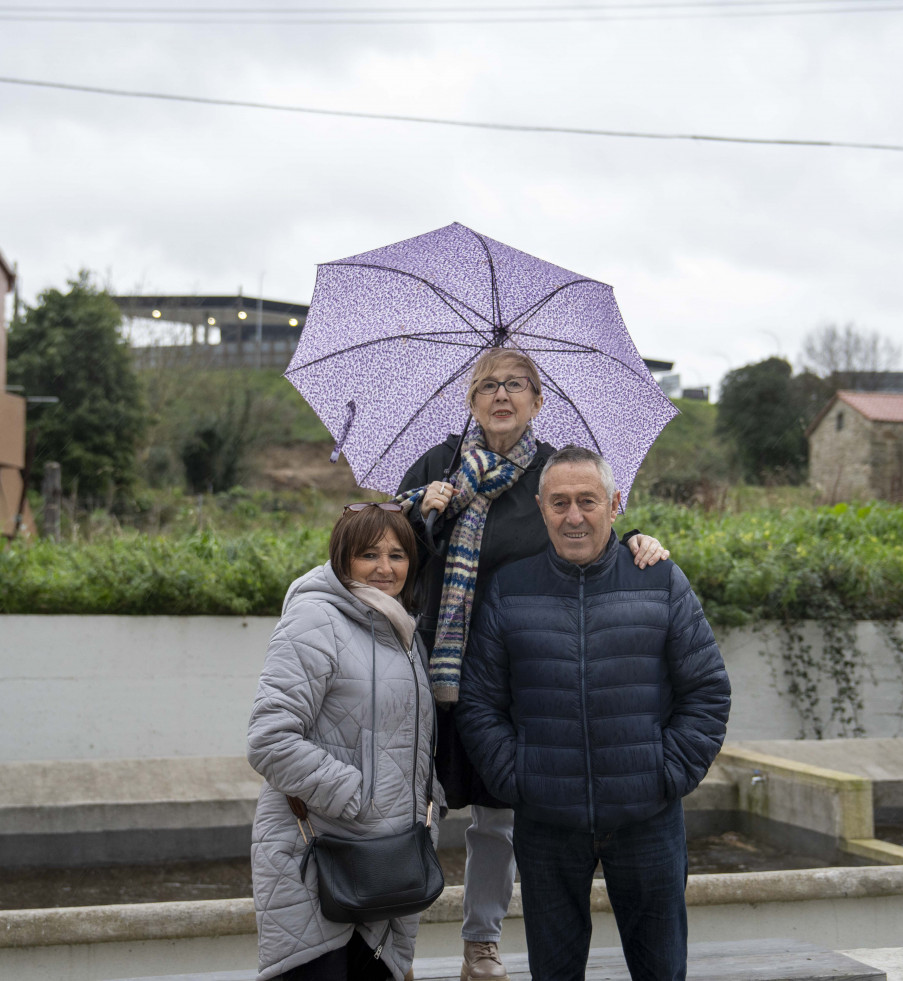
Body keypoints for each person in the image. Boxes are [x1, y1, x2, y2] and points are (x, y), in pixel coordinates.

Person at [397, 349, 669, 981]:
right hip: (430, 660)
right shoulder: (439, 466)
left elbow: (590, 527)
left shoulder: (552, 472)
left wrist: (638, 540)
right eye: (487, 385)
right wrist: (420, 507)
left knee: (497, 816)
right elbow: (387, 553)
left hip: (514, 672)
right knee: (412, 810)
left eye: (516, 385)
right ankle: (394, 947)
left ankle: (481, 943)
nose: (501, 396)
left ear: (537, 401)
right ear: (470, 401)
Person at [456, 445, 731, 981]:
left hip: (647, 818)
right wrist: (519, 778)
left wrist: (664, 774)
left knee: (661, 970)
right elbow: (479, 700)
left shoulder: (659, 579)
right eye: (559, 503)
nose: (574, 516)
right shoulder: (510, 589)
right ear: (541, 508)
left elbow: (707, 692)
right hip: (545, 820)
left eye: (588, 500)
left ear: (615, 503)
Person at [248, 501, 443, 981]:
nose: (385, 567)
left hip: (388, 865)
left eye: (398, 555)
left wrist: (425, 806)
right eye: (369, 554)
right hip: (316, 858)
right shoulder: (314, 620)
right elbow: (270, 739)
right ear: (342, 559)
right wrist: (358, 797)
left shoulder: (404, 632)